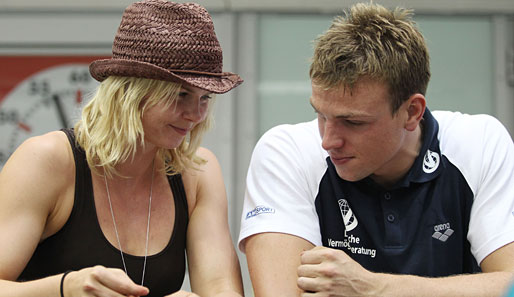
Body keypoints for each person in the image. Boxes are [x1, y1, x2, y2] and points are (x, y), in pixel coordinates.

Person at [238, 2, 514, 297]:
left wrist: (371, 287)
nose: (328, 141)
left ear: (411, 112)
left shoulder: (479, 142)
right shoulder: (285, 152)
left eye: (353, 122)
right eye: (321, 115)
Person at [0, 1, 244, 296]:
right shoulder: (47, 160)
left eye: (205, 98)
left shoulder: (197, 171)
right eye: (181, 94)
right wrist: (66, 287)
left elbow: (220, 287)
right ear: (131, 91)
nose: (196, 114)